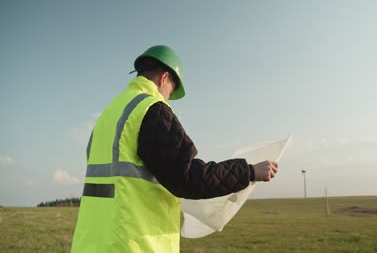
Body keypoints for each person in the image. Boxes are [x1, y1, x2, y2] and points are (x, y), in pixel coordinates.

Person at [71, 45, 279, 252]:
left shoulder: (110, 114)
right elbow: (187, 177)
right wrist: (249, 171)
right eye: (170, 91)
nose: (168, 99)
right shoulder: (150, 108)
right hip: (132, 243)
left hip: (92, 242)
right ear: (164, 78)